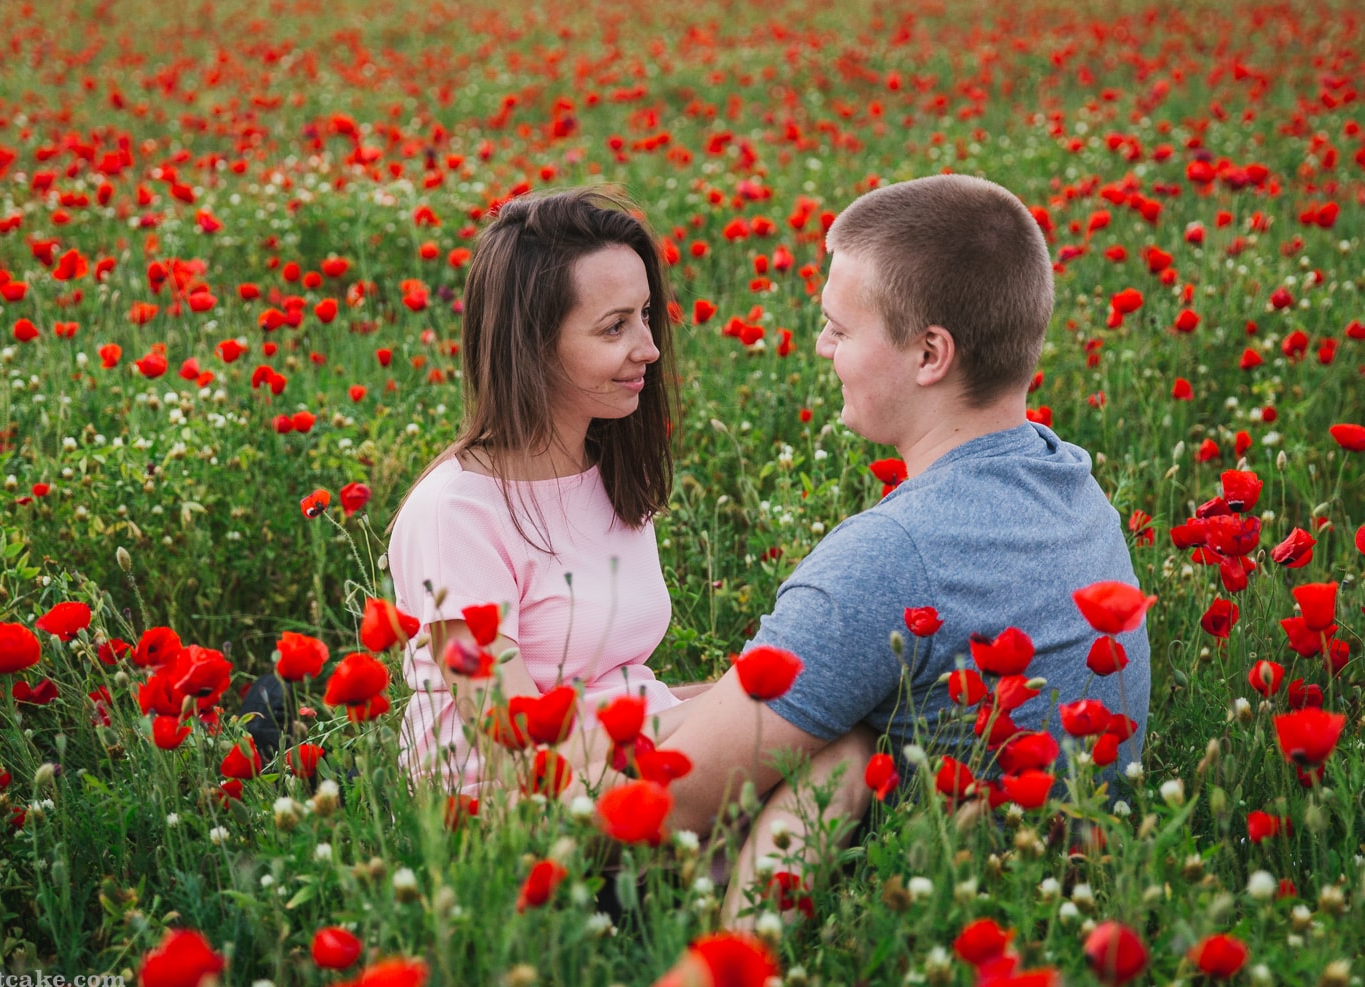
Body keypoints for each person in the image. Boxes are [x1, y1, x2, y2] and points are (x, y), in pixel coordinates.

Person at [620, 174, 1152, 919]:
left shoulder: (897, 555)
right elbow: (801, 685)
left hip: (931, 924)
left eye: (840, 327)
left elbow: (666, 802)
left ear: (930, 353)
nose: (820, 345)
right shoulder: (1074, 487)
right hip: (1072, 908)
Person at [386, 188, 705, 791]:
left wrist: (732, 698)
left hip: (617, 764)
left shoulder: (607, 470)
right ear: (531, 345)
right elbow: (514, 743)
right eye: (614, 328)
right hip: (509, 805)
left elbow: (615, 688)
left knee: (830, 739)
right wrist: (725, 716)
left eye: (644, 315)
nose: (650, 348)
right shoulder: (457, 513)